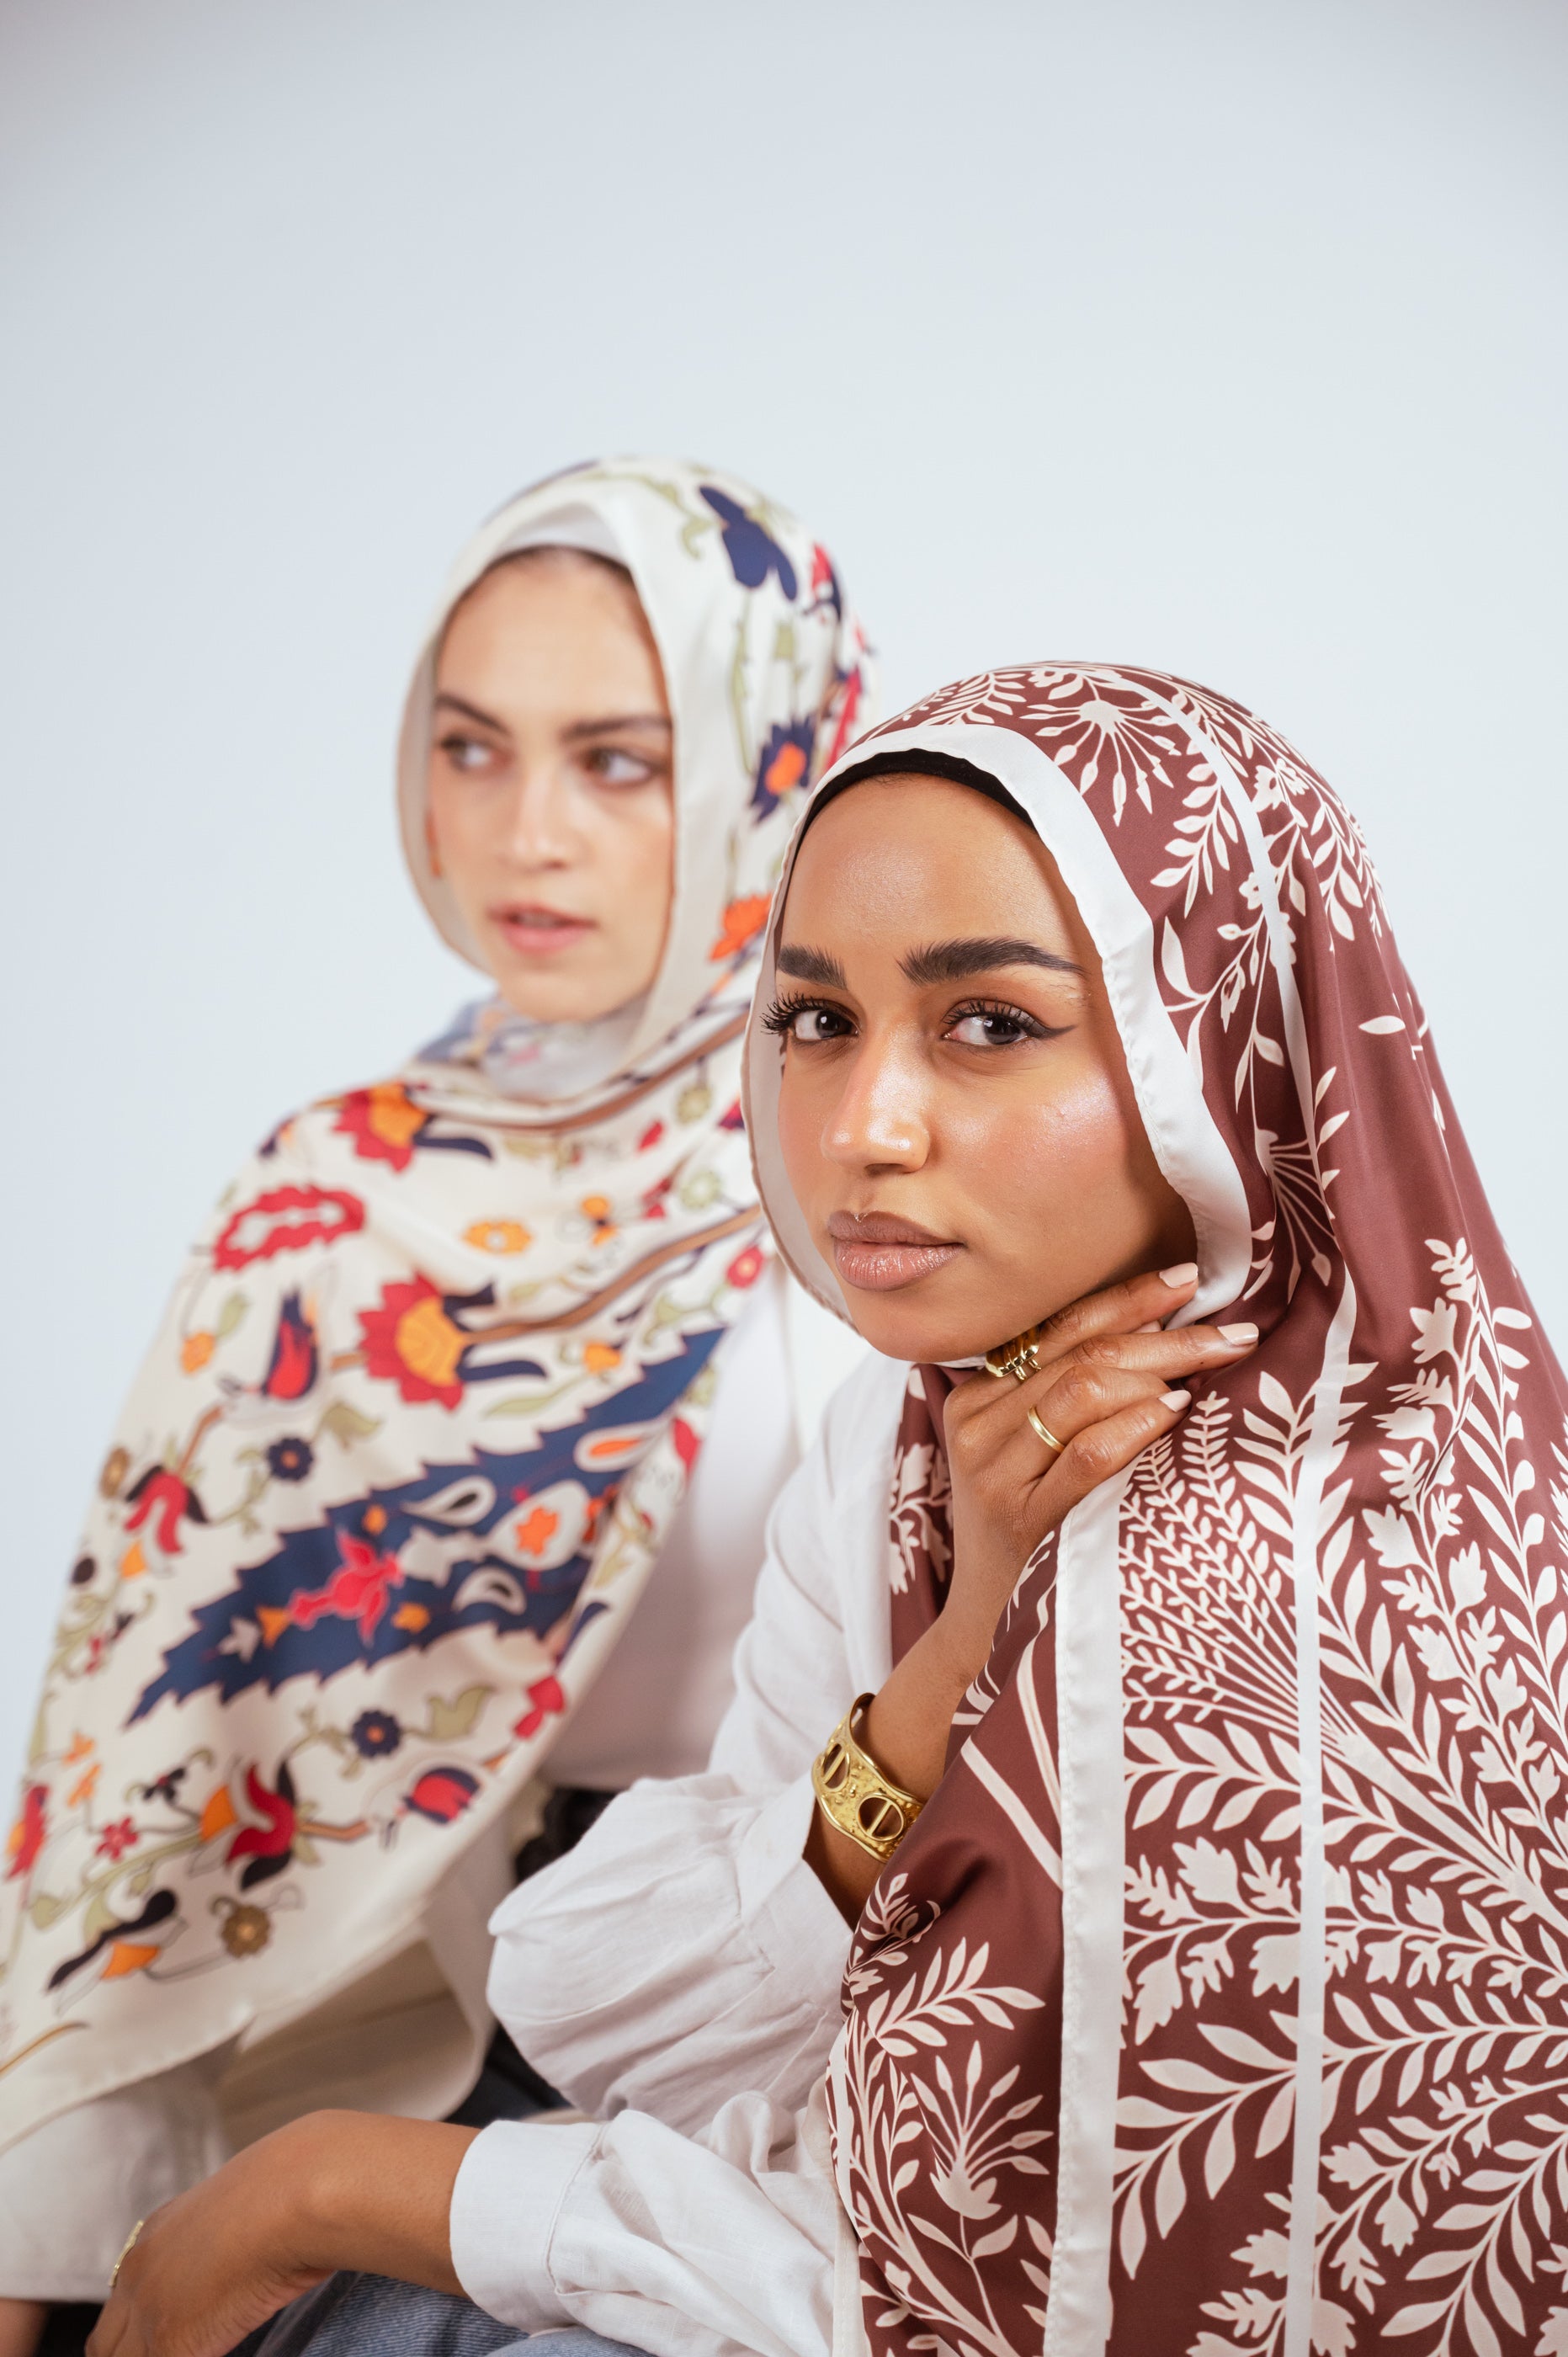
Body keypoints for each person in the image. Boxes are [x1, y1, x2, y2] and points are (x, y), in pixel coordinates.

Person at [88, 660, 1566, 2357]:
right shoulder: (917, 1439)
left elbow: (1036, 2297)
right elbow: (607, 2011)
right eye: (813, 1019)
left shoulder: (1333, 1565)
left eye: (988, 1022)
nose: (858, 1126)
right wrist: (956, 1648)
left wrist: (342, 2184)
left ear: (1220, 1050)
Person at [0, 456, 873, 2357]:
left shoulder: (885, 1166)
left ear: (771, 761)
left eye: (618, 760)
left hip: (844, 2031)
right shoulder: (327, 1204)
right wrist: (49, 2245)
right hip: (419, 2043)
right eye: (471, 749)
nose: (522, 834)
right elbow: (144, 1795)